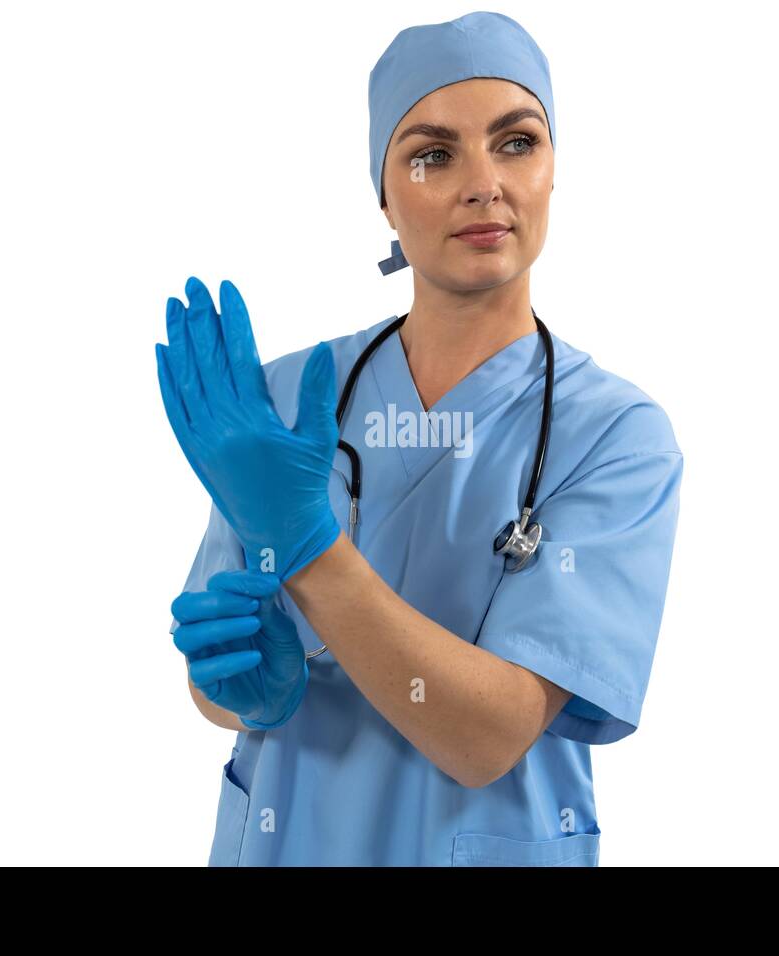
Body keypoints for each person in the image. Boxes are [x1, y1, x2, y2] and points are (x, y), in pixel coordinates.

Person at [155, 11, 683, 866]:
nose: (483, 184)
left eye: (516, 143)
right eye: (433, 154)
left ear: (553, 170)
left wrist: (310, 550)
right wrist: (242, 689)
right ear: (384, 196)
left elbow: (489, 738)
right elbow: (215, 675)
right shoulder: (288, 396)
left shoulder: (616, 435)